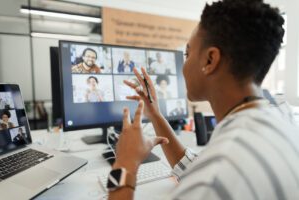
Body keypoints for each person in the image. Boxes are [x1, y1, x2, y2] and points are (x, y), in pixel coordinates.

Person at [109, 0, 299, 199]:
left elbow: (210, 177)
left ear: (210, 60)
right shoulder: (280, 116)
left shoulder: (215, 176)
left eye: (187, 53)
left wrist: (124, 164)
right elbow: (194, 169)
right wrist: (155, 113)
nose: (183, 65)